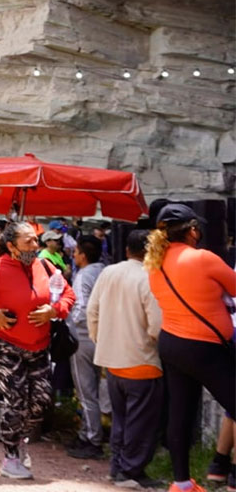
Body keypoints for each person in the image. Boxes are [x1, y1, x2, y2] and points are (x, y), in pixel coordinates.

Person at [0, 221, 76, 480]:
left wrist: (55, 310)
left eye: (36, 240)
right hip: (4, 345)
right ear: (11, 246)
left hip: (39, 346)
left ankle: (19, 438)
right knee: (17, 399)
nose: (36, 245)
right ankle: (10, 456)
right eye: (29, 241)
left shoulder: (44, 265)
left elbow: (68, 293)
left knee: (42, 401)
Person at [144, 204, 236, 492]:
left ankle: (182, 483)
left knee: (180, 414)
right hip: (204, 348)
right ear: (193, 230)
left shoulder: (155, 262)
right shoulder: (203, 259)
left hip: (172, 343)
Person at [87, 230, 164, 489]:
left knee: (120, 419)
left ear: (127, 250)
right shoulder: (150, 277)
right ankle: (131, 471)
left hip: (113, 362)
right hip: (141, 361)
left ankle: (117, 467)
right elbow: (157, 324)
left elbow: (92, 310)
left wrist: (101, 340)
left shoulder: (109, 272)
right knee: (140, 423)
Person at [66, 235, 107, 460]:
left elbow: (81, 308)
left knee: (85, 391)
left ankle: (93, 439)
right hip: (104, 337)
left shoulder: (83, 276)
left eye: (76, 252)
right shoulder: (105, 270)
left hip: (82, 337)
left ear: (82, 255)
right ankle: (87, 433)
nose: (73, 255)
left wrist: (67, 324)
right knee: (98, 390)